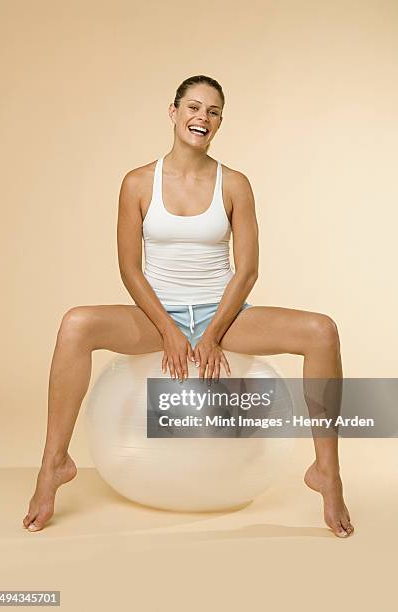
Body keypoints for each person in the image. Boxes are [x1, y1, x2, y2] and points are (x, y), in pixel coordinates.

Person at [23, 74, 354, 537]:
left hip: (224, 314)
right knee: (76, 324)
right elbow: (130, 270)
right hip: (157, 315)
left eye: (213, 111)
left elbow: (247, 271)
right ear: (174, 112)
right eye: (194, 107)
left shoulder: (235, 184)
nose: (203, 117)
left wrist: (214, 333)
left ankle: (327, 475)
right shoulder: (137, 182)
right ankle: (53, 466)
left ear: (219, 123)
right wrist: (169, 331)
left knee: (322, 331)